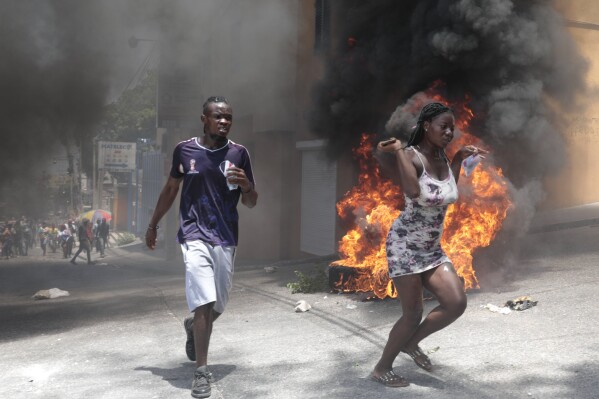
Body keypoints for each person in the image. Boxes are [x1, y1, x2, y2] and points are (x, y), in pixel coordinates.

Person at [145, 96, 257, 399]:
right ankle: (202, 371)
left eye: (228, 117)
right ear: (204, 119)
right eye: (218, 116)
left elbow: (251, 201)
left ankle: (192, 325)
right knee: (204, 301)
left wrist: (246, 185)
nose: (224, 121)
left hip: (225, 237)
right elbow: (171, 189)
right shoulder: (185, 150)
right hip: (194, 235)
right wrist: (153, 224)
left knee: (218, 303)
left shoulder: (239, 153)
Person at [370, 102, 487, 388]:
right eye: (443, 126)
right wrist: (398, 150)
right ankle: (382, 368)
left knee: (456, 302)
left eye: (452, 128)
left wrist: (459, 157)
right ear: (426, 126)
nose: (449, 132)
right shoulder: (411, 156)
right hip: (405, 246)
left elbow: (449, 190)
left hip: (432, 249)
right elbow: (413, 190)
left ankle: (411, 344)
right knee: (412, 314)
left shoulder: (443, 158)